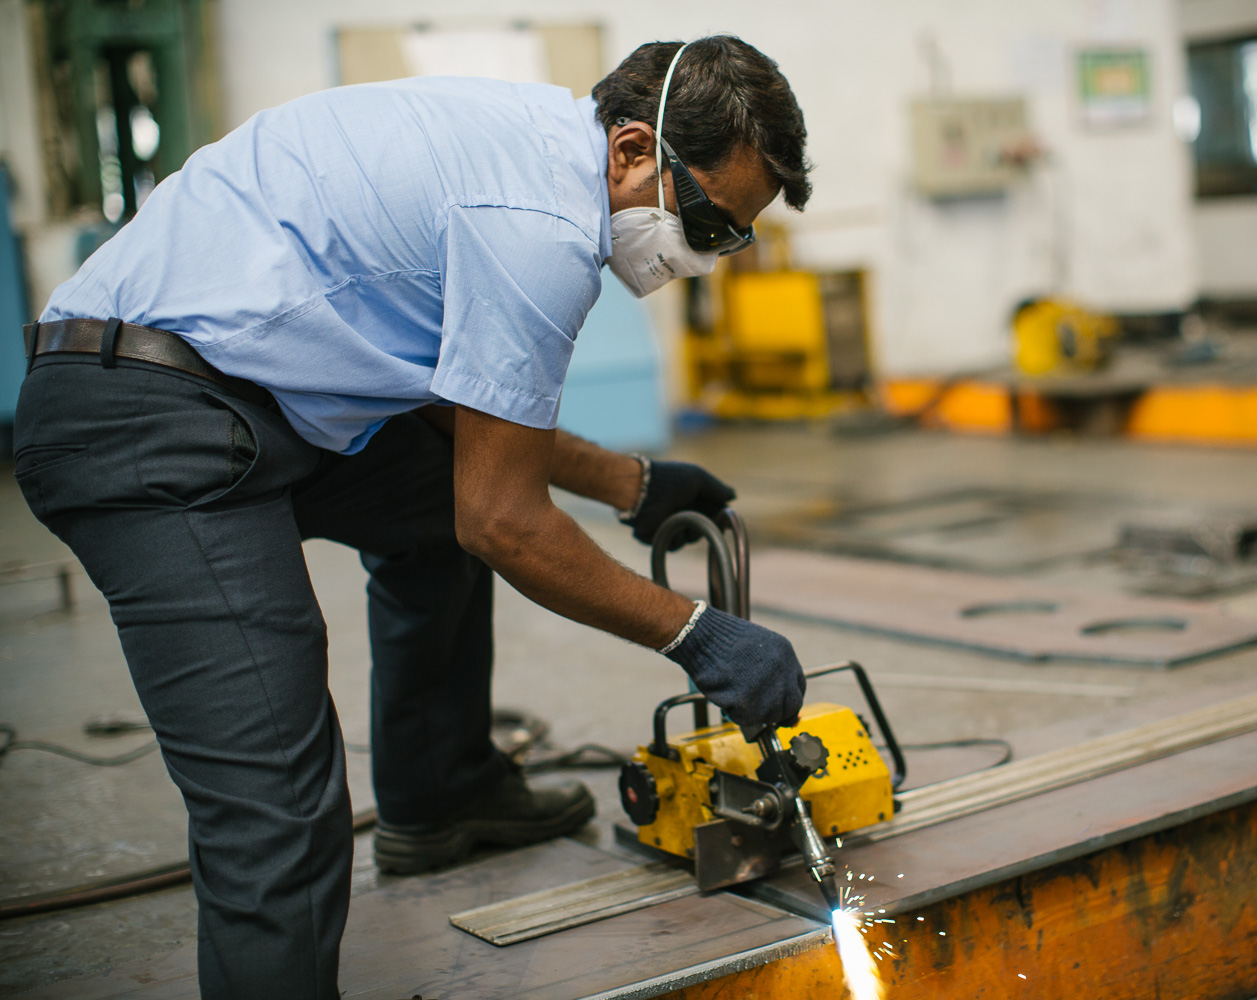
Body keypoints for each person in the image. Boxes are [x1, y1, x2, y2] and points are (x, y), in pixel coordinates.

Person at [13, 36, 810, 998]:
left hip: (242, 395)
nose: (707, 258)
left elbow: (457, 410)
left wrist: (631, 486)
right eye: (711, 224)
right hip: (143, 425)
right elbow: (503, 522)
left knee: (432, 496)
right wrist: (697, 635)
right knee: (277, 807)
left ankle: (441, 794)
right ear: (634, 151)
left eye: (732, 239)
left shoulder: (529, 144)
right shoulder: (540, 229)